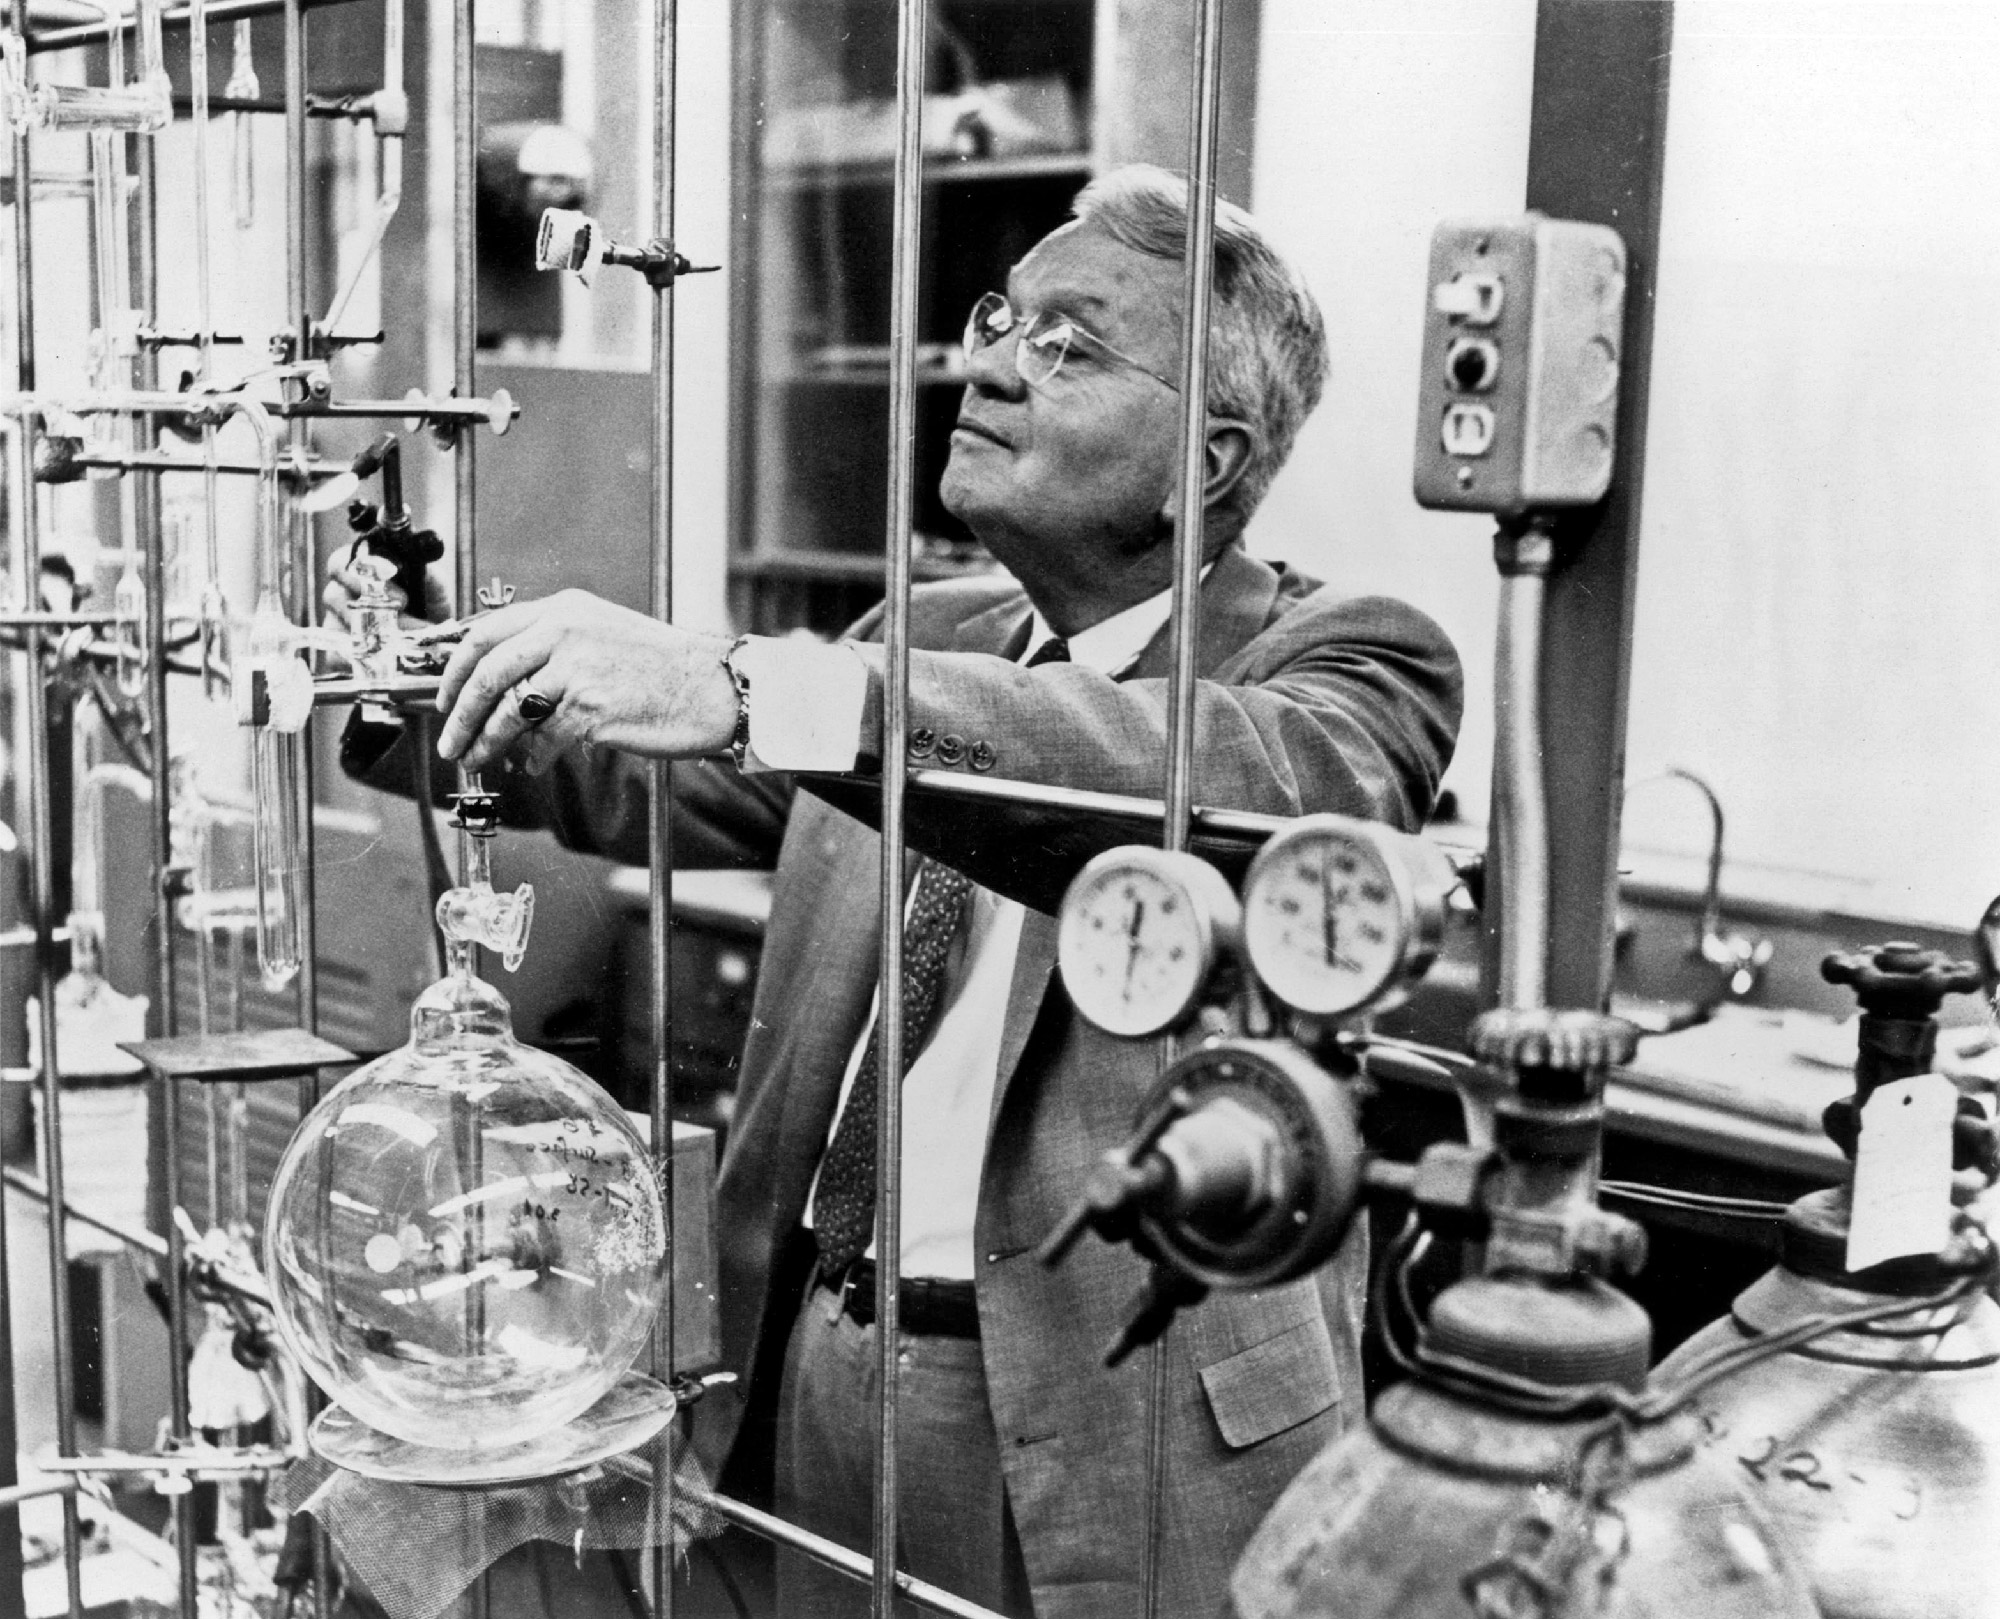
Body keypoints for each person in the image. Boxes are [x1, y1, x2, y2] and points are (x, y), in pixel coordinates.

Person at [331, 164, 1462, 1619]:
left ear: (1208, 458)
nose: (983, 361)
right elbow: (646, 780)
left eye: (1067, 345)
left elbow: (1215, 783)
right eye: (1001, 317)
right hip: (815, 1362)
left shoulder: (1349, 665)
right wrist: (417, 664)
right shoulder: (926, 634)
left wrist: (744, 681)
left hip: (1101, 1411)